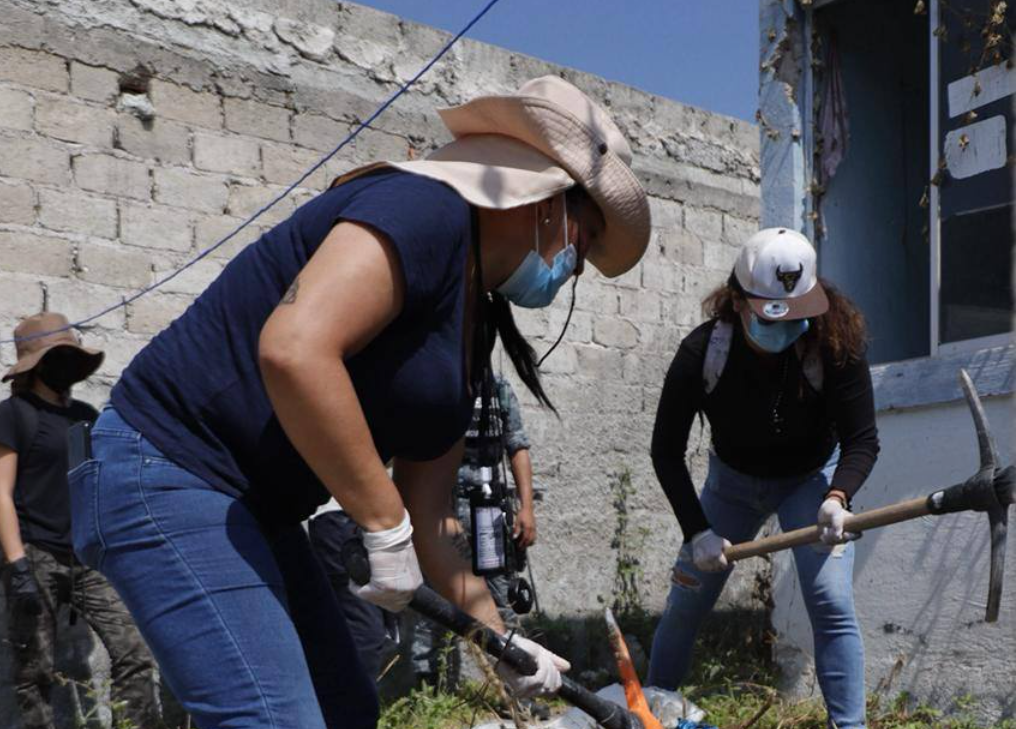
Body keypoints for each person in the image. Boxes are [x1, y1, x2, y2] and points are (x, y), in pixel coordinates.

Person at [68, 76, 651, 729]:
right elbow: (294, 347)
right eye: (584, 234)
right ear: (544, 197)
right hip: (171, 467)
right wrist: (381, 523)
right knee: (273, 718)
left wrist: (502, 641)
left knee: (345, 708)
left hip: (258, 509)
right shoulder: (423, 207)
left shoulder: (468, 324)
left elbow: (430, 520)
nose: (575, 265)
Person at [647, 228, 878, 729]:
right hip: (731, 485)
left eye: (797, 318)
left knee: (831, 602)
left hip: (808, 484)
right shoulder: (702, 353)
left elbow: (863, 439)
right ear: (738, 300)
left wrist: (839, 496)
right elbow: (665, 450)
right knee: (687, 601)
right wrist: (697, 531)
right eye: (773, 318)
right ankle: (646, 711)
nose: (787, 330)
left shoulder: (836, 346)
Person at [0, 313, 161, 729]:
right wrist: (17, 566)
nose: (67, 368)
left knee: (136, 654)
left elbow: (99, 486)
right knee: (34, 672)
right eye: (58, 358)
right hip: (35, 555)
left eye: (72, 357)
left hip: (87, 557)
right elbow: (1, 492)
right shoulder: (14, 414)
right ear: (37, 365)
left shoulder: (85, 416)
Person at [412, 373, 536, 687]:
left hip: (489, 513)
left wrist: (526, 507)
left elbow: (517, 446)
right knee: (435, 601)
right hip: (443, 511)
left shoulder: (500, 390)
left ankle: (516, 687)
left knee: (500, 601)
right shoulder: (443, 383)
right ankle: (428, 690)